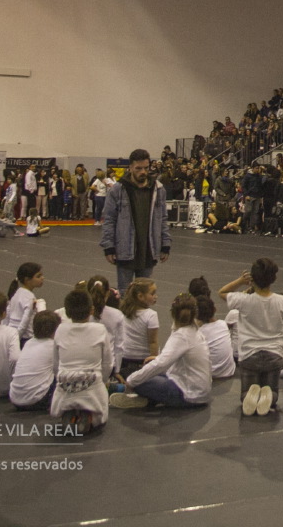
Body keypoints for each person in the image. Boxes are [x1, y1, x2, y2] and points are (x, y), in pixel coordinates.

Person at [220, 258, 283, 416]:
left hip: (249, 356)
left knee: (245, 395)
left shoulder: (243, 300)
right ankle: (270, 396)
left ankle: (249, 395)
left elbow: (222, 292)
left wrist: (241, 281)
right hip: (274, 355)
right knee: (273, 392)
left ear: (252, 279)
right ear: (273, 279)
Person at [112, 293, 212, 410]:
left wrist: (131, 381)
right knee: (148, 369)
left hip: (189, 396)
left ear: (173, 313)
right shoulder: (196, 332)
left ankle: (130, 392)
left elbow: (161, 364)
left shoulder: (181, 336)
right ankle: (148, 399)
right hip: (200, 391)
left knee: (136, 378)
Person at [100, 151, 171, 293]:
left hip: (149, 250)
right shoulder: (118, 190)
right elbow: (109, 219)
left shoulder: (158, 189)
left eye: (146, 167)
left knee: (145, 295)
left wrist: (165, 244)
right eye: (138, 168)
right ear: (130, 168)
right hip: (125, 249)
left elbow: (163, 218)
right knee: (124, 294)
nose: (143, 172)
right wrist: (109, 247)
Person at [53, 288, 113, 431]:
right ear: (92, 310)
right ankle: (91, 416)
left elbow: (55, 364)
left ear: (67, 312)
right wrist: (103, 380)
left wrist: (60, 378)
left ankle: (69, 411)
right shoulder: (100, 329)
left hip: (65, 381)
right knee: (100, 412)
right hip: (91, 381)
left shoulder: (60, 329)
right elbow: (108, 363)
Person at [10, 312, 61, 411]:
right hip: (37, 401)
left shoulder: (28, 343)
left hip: (15, 399)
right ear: (56, 330)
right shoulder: (53, 346)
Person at [118, 278, 160, 373]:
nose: (155, 296)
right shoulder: (151, 315)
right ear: (140, 296)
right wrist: (154, 362)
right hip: (142, 361)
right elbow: (153, 342)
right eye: (152, 294)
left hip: (124, 358)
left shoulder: (123, 311)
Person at [4, 262, 45, 342]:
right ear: (27, 280)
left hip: (12, 332)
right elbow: (25, 320)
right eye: (38, 276)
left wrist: (5, 330)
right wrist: (16, 338)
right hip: (24, 337)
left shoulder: (17, 292)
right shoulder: (29, 297)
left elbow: (7, 313)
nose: (42, 278)